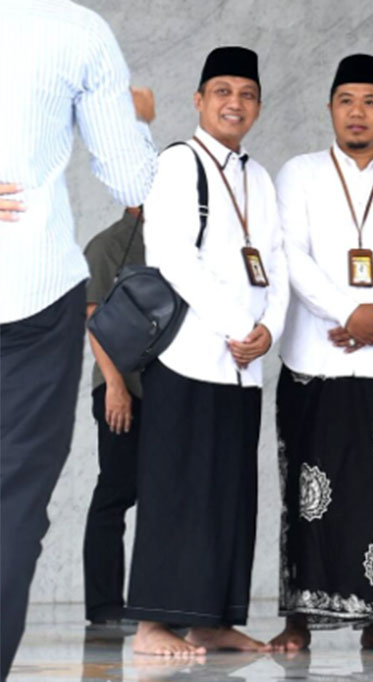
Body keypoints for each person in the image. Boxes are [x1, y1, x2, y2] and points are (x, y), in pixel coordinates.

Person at [0, 1, 156, 676]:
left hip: (37, 299)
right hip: (33, 295)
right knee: (13, 505)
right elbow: (132, 180)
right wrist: (135, 116)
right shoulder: (76, 30)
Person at [122, 46, 288, 657]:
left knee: (229, 494)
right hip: (190, 355)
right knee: (176, 489)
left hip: (243, 366)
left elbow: (277, 263)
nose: (234, 103)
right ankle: (152, 625)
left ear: (258, 106)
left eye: (246, 93)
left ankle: (212, 620)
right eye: (222, 91)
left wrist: (268, 330)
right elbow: (172, 256)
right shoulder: (178, 163)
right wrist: (240, 325)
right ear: (199, 100)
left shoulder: (258, 176)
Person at [270, 54, 373, 653]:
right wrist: (348, 314)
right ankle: (298, 616)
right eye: (346, 101)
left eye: (370, 102)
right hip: (316, 359)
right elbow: (292, 256)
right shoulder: (300, 173)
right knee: (307, 496)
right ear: (330, 109)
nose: (357, 113)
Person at [82, 207, 147, 625]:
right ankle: (105, 605)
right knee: (116, 491)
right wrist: (115, 385)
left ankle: (159, 604)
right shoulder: (108, 245)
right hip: (123, 389)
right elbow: (95, 321)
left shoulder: (176, 240)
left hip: (166, 390)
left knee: (166, 497)